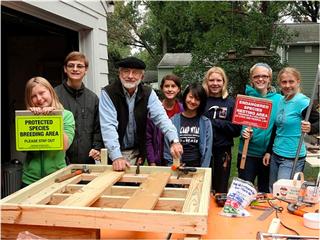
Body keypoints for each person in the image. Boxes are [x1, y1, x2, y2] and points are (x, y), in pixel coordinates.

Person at [99, 57, 183, 171]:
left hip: (137, 152)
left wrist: (174, 141)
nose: (130, 76)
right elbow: (108, 126)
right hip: (115, 152)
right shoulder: (108, 93)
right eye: (126, 71)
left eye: (135, 72)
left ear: (142, 77)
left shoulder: (148, 93)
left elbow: (161, 117)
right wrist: (116, 156)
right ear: (119, 73)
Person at [267, 67, 319, 191]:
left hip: (292, 158)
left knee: (283, 193)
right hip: (276, 154)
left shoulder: (302, 102)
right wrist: (269, 151)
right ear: (279, 83)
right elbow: (276, 129)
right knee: (272, 189)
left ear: (298, 82)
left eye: (291, 81)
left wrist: (311, 127)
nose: (287, 85)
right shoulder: (281, 100)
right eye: (284, 82)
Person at [237, 63, 282, 193]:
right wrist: (243, 132)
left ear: (269, 79)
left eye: (264, 76)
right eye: (257, 76)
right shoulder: (244, 99)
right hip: (247, 153)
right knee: (244, 192)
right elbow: (237, 123)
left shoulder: (279, 100)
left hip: (268, 156)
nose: (260, 79)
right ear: (252, 79)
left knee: (266, 193)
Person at [22, 77, 75, 186]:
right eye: (33, 96)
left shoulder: (67, 115)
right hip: (29, 180)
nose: (39, 99)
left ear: (50, 92)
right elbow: (23, 147)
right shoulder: (27, 116)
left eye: (42, 93)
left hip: (57, 178)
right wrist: (30, 117)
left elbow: (65, 145)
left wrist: (53, 118)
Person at [55, 51, 104, 164]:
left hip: (86, 161)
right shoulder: (54, 96)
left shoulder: (93, 98)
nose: (75, 69)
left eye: (80, 66)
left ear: (86, 70)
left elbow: (98, 128)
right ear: (65, 69)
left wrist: (97, 148)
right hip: (59, 162)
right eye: (71, 65)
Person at [202, 66, 241, 193]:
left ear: (224, 82)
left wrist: (215, 123)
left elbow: (236, 130)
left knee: (221, 187)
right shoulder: (201, 100)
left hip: (223, 150)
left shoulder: (230, 102)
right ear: (206, 82)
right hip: (203, 149)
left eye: (218, 80)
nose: (215, 83)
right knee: (203, 185)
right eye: (211, 80)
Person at [163, 83, 212, 167]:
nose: (193, 101)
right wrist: (173, 165)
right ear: (185, 96)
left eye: (197, 99)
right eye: (191, 97)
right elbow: (167, 147)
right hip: (177, 166)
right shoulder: (173, 121)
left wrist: (204, 170)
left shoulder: (205, 122)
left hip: (198, 167)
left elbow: (208, 150)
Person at [146, 74, 183, 166]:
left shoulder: (183, 110)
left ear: (178, 89)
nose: (170, 89)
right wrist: (151, 161)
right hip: (158, 158)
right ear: (162, 88)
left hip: (176, 158)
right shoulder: (154, 110)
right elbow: (148, 138)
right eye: (166, 86)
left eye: (173, 86)